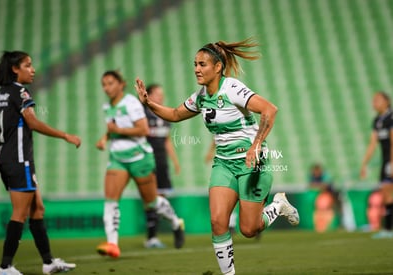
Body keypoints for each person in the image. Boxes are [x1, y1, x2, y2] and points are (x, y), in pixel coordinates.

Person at [135, 38, 299, 275]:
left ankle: (277, 206)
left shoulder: (232, 88)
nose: (196, 69)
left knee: (249, 229)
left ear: (217, 67)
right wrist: (148, 103)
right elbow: (173, 114)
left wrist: (256, 145)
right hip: (223, 163)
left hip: (251, 163)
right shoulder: (201, 96)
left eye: (202, 64)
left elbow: (270, 109)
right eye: (195, 64)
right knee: (217, 222)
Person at [0, 51, 80, 275]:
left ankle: (48, 262)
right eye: (28, 65)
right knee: (19, 213)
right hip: (19, 159)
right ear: (15, 69)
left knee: (38, 209)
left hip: (4, 158)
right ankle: (5, 267)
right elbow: (32, 122)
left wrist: (8, 133)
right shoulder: (20, 91)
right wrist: (65, 135)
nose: (32, 69)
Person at [95, 70, 185, 257]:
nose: (106, 88)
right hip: (118, 158)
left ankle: (176, 222)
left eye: (110, 83)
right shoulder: (107, 106)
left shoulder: (131, 103)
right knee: (111, 200)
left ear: (121, 84)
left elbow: (143, 130)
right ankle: (112, 244)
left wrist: (116, 130)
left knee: (151, 202)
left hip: (139, 157)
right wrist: (105, 138)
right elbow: (113, 128)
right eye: (104, 84)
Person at [143, 84, 181, 248]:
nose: (161, 97)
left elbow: (167, 140)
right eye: (158, 94)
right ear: (149, 95)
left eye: (162, 94)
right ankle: (152, 237)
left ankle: (159, 234)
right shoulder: (142, 114)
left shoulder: (164, 115)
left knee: (161, 198)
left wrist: (175, 161)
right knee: (150, 199)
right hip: (147, 161)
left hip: (162, 162)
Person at [360, 91, 393, 238]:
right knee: (386, 193)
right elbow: (372, 144)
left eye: (377, 100)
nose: (374, 103)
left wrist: (392, 163)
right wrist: (364, 164)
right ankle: (387, 229)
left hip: (391, 160)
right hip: (386, 160)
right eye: (373, 100)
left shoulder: (390, 117)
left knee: (388, 192)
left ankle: (388, 229)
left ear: (387, 101)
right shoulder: (377, 120)